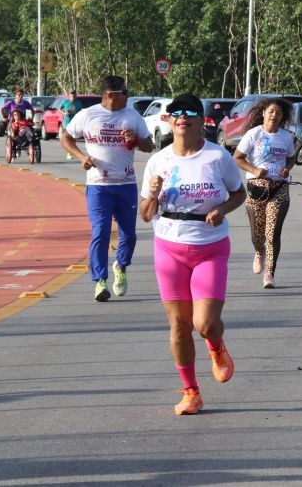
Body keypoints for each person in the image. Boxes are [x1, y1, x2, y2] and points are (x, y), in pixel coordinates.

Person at [139, 93, 246, 415]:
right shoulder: (158, 161)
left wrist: (222, 209)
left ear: (202, 120)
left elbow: (239, 193)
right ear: (169, 121)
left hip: (210, 248)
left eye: (189, 112)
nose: (182, 116)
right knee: (178, 326)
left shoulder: (218, 157)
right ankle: (191, 392)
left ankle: (216, 346)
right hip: (168, 247)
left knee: (205, 323)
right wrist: (154, 195)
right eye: (176, 113)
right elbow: (145, 214)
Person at [60, 75, 153, 301]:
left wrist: (136, 140)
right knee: (100, 233)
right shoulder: (88, 115)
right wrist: (81, 157)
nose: (128, 96)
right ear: (111, 95)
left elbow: (149, 146)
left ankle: (120, 266)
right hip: (98, 186)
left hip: (125, 184)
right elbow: (66, 137)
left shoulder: (132, 116)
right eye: (125, 93)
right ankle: (100, 281)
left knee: (129, 236)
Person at [233, 98, 296, 289]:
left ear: (282, 117)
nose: (274, 115)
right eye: (271, 112)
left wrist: (286, 169)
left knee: (273, 232)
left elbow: (292, 158)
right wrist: (254, 170)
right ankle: (259, 251)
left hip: (280, 187)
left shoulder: (286, 136)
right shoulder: (253, 134)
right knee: (257, 235)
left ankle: (270, 273)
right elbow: (237, 157)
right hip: (256, 188)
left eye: (278, 113)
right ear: (263, 114)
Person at [61, 90, 82, 159]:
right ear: (69, 95)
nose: (73, 97)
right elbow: (59, 109)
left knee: (74, 138)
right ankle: (69, 153)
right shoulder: (65, 102)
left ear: (76, 95)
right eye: (71, 95)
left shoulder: (78, 103)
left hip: (75, 122)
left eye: (74, 95)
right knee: (68, 138)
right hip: (67, 122)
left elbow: (81, 111)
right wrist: (64, 113)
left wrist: (77, 114)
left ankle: (70, 152)